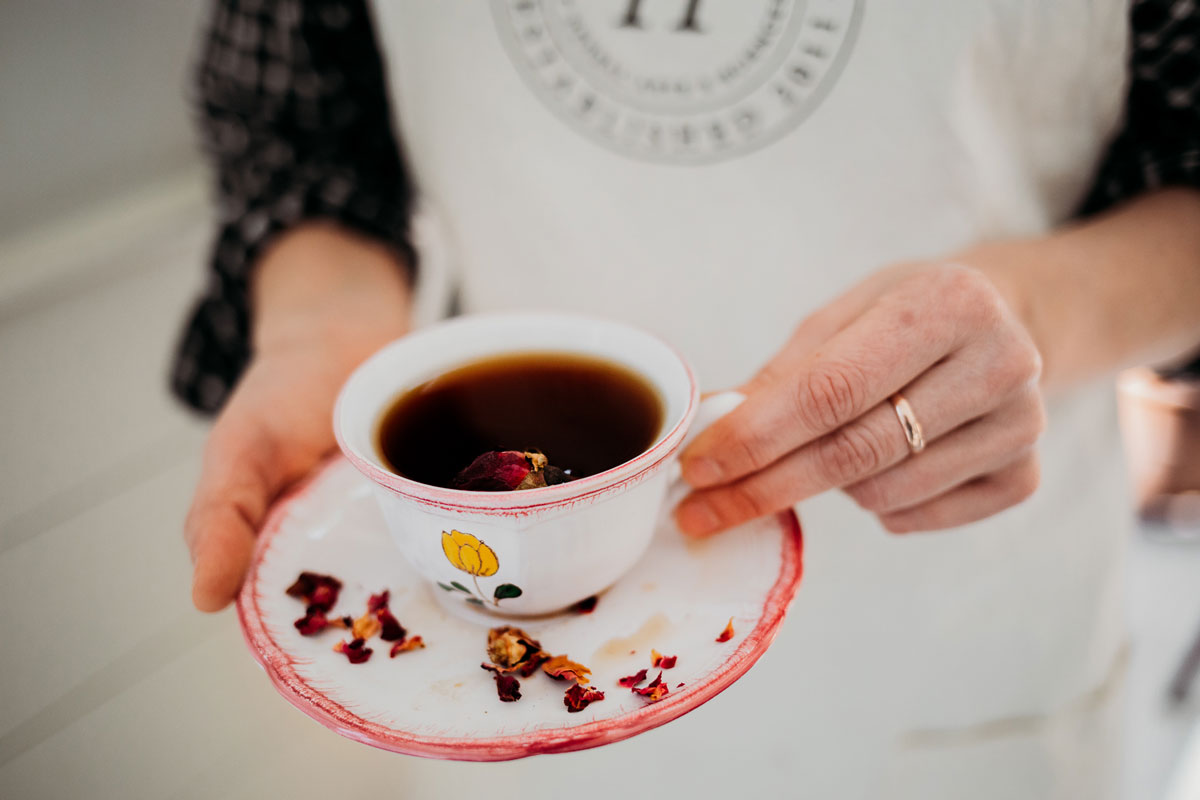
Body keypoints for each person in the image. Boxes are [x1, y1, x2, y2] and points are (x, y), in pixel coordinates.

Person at [175, 1, 1200, 797]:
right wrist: (318, 333)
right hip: (497, 689)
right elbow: (299, 132)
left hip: (961, 625)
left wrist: (1034, 309)